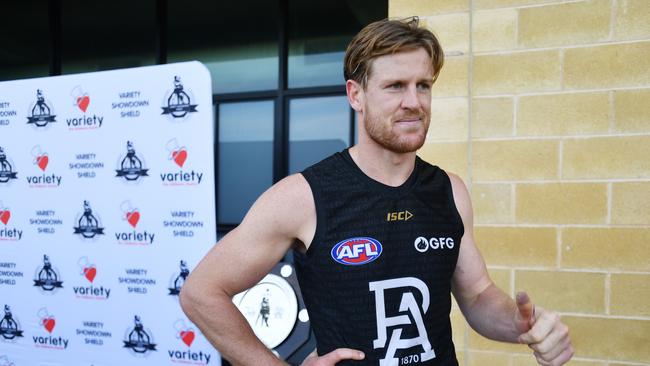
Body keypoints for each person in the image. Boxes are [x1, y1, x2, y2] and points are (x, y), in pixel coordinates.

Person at [180, 17, 573, 366]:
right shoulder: (303, 196)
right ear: (356, 95)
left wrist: (522, 325)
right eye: (395, 86)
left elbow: (477, 294)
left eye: (424, 86)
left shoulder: (449, 190)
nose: (413, 102)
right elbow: (202, 292)